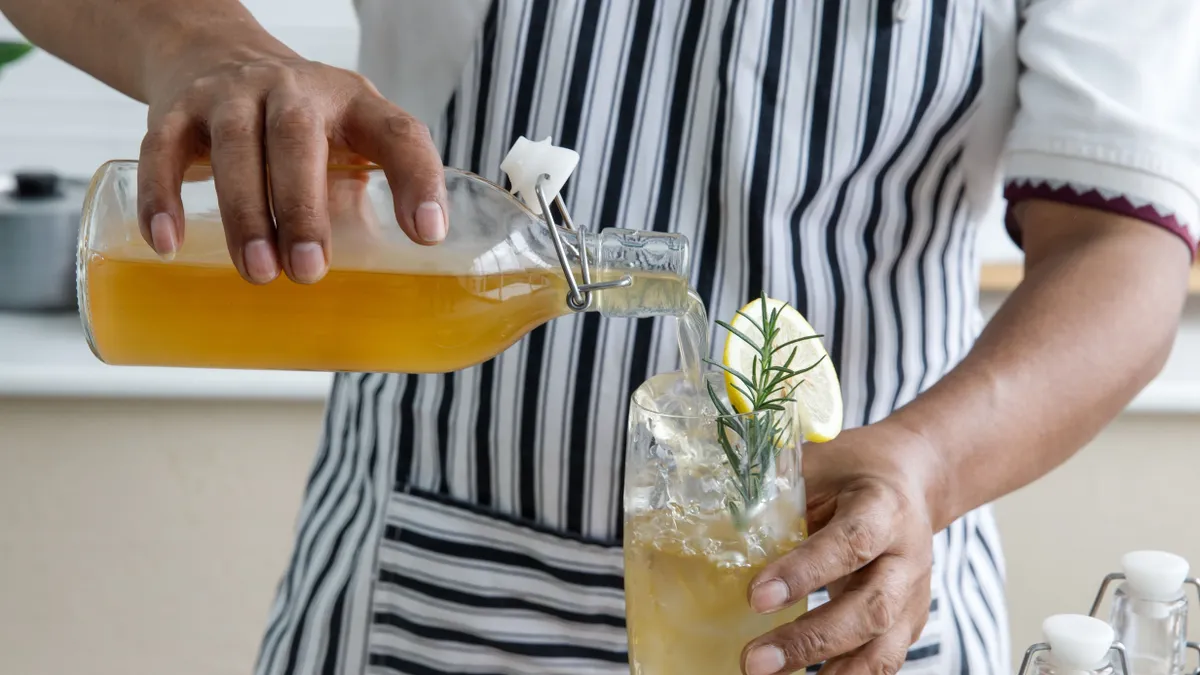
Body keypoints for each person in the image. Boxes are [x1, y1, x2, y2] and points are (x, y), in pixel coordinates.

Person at [5, 0, 1198, 673]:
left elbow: (1121, 244)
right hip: (428, 599)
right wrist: (208, 47)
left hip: (852, 604)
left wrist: (924, 467)